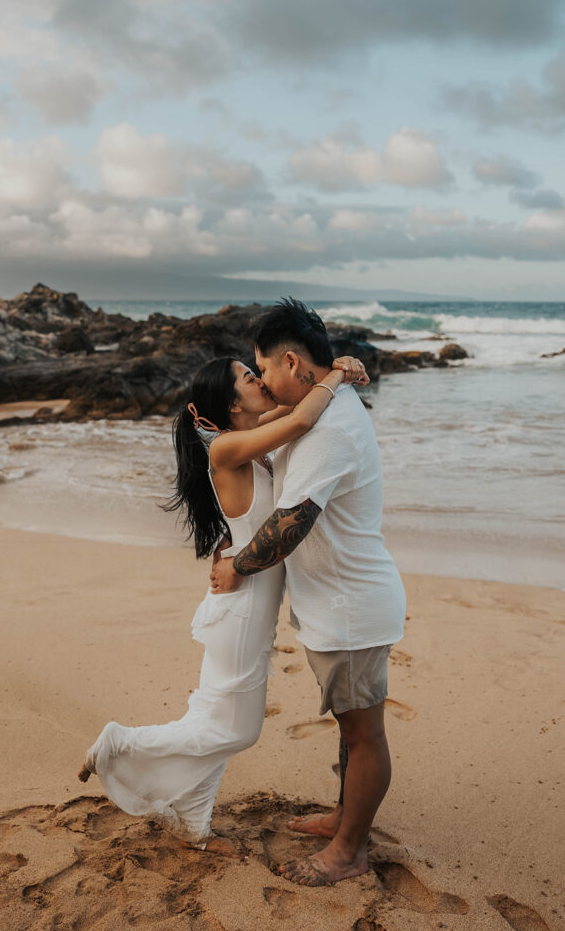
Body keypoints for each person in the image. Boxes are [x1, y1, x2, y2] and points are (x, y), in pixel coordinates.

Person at [77, 350, 367, 855]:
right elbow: (302, 416)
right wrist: (339, 373)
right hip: (243, 605)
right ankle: (119, 744)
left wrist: (332, 372)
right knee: (235, 728)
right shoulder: (227, 449)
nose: (260, 380)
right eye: (250, 378)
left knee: (214, 717)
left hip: (249, 597)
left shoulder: (247, 438)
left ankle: (194, 822)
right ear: (233, 406)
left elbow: (295, 412)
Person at [210, 299, 406, 886]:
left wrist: (238, 566)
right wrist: (342, 369)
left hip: (352, 607)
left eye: (262, 369)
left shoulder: (331, 429)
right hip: (338, 603)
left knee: (363, 734)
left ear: (292, 362)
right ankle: (346, 814)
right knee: (351, 725)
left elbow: (289, 524)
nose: (262, 381)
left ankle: (350, 850)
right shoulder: (320, 405)